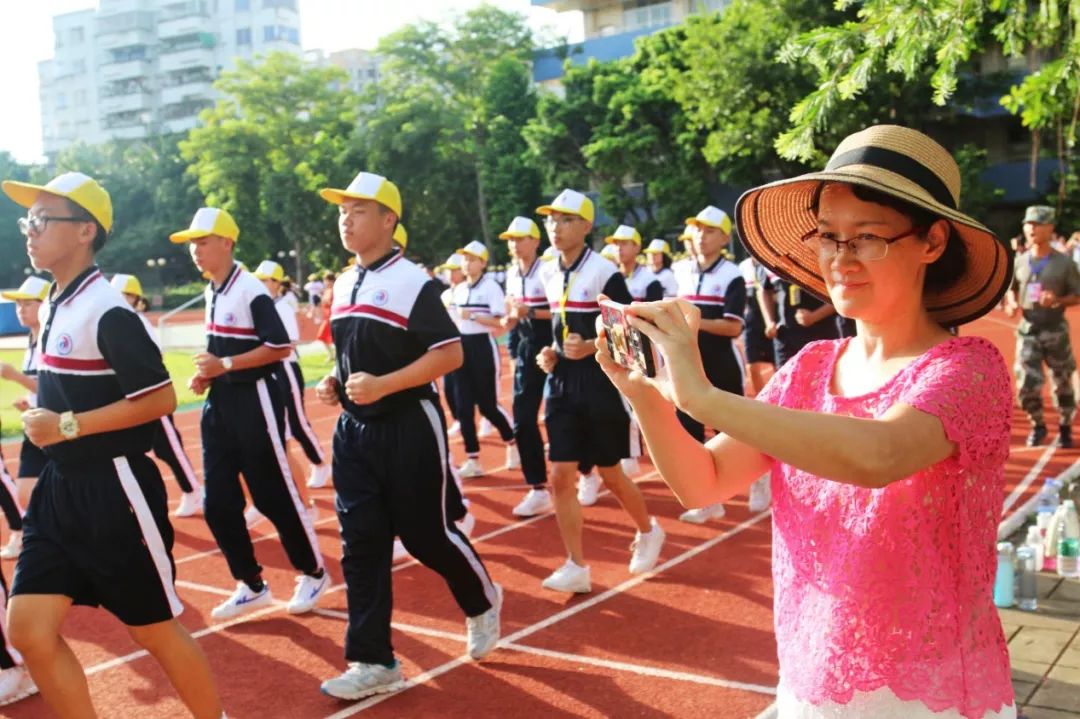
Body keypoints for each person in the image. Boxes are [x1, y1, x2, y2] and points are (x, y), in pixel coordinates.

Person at [599, 125, 1016, 719]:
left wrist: (702, 396)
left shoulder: (969, 370)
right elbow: (704, 481)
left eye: (866, 238)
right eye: (828, 237)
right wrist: (643, 392)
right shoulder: (809, 368)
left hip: (928, 698)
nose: (839, 261)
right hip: (809, 681)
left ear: (933, 241)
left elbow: (880, 455)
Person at [2, 171, 225, 718]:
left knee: (153, 629)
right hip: (59, 491)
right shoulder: (56, 301)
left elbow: (159, 399)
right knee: (27, 630)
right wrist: (48, 418)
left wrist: (68, 425)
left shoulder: (109, 310)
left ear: (84, 231)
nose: (28, 230)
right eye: (27, 220)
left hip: (115, 488)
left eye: (40, 220)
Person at [314, 171, 501, 699]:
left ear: (389, 220)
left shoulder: (413, 282)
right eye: (341, 211)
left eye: (357, 211)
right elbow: (348, 352)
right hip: (353, 431)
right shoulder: (345, 281)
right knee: (361, 546)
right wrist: (337, 380)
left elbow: (450, 353)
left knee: (425, 535)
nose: (345, 220)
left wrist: (383, 384)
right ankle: (374, 661)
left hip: (408, 425)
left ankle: (482, 600)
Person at [171, 207, 328, 620]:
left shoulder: (250, 290)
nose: (195, 251)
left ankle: (313, 570)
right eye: (192, 244)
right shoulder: (213, 290)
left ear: (226, 242)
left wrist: (224, 367)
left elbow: (279, 346)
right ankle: (251, 583)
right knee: (217, 503)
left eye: (202, 242)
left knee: (272, 495)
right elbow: (222, 349)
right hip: (219, 405)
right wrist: (207, 376)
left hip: (255, 402)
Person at [535, 188, 665, 593]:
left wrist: (592, 346)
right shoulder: (547, 270)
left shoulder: (605, 272)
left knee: (611, 472)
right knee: (559, 476)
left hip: (598, 380)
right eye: (551, 220)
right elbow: (555, 327)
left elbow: (628, 335)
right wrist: (551, 352)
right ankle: (576, 564)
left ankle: (648, 529)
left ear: (587, 226)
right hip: (561, 382)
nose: (556, 228)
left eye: (566, 220)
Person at [671, 206, 747, 524]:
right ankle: (708, 500)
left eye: (710, 230)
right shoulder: (681, 270)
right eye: (698, 229)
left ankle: (759, 480)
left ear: (725, 238)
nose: (701, 236)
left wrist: (693, 321)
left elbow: (733, 327)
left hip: (721, 364)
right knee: (688, 432)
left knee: (732, 431)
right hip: (688, 363)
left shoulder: (732, 275)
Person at [109, 273, 205, 519]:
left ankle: (193, 490)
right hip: (129, 397)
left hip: (150, 394)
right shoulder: (119, 323)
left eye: (125, 295)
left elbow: (151, 360)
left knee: (168, 447)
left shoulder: (138, 323)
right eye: (115, 295)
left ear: (137, 300)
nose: (119, 300)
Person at [253, 260, 332, 496]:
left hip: (285, 368)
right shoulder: (264, 306)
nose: (261, 285)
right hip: (271, 369)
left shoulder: (282, 307)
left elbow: (288, 343)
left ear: (278, 284)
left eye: (265, 280)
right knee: (280, 424)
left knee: (297, 421)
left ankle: (319, 463)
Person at [1003, 205, 1080, 447]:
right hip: (1028, 329)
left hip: (1055, 330)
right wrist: (1012, 303)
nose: (1031, 228)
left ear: (1050, 228)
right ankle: (1037, 425)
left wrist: (1058, 299)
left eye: (1037, 224)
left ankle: (1066, 426)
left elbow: (1078, 295)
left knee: (1063, 383)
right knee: (1026, 385)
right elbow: (1012, 288)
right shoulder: (1020, 260)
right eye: (1028, 224)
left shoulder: (1064, 263)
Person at [499, 217, 555, 517]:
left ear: (535, 240)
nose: (514, 244)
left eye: (520, 238)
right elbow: (514, 309)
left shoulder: (547, 270)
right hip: (526, 348)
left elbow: (559, 312)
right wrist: (511, 319)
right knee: (522, 418)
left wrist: (530, 311)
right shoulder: (510, 273)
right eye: (510, 239)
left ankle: (587, 471)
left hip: (554, 347)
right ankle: (537, 487)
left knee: (568, 413)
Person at [451, 240, 518, 477]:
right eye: (464, 258)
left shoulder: (490, 287)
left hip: (482, 346)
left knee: (488, 405)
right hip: (462, 348)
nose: (465, 263)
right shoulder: (458, 290)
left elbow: (500, 323)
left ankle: (512, 441)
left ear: (482, 262)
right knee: (463, 407)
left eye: (471, 259)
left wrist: (475, 316)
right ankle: (473, 458)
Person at [0, 276, 50, 559]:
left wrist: (15, 377)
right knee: (26, 493)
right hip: (35, 423)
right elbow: (40, 388)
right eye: (18, 304)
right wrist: (27, 403)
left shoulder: (49, 340)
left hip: (55, 426)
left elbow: (52, 387)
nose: (20, 309)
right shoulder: (30, 342)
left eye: (27, 303)